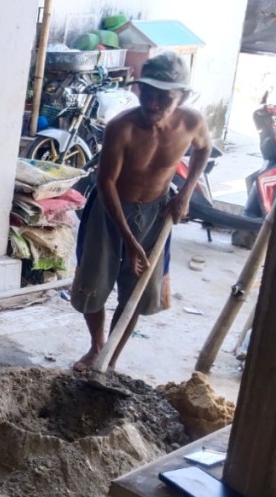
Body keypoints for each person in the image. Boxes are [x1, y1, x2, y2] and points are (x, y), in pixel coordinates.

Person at [71, 52, 212, 371]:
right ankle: (96, 347)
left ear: (183, 97)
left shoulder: (192, 123)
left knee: (136, 289)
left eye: (164, 98)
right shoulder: (122, 127)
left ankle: (111, 359)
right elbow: (106, 183)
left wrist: (186, 192)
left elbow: (204, 149)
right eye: (147, 94)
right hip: (110, 210)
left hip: (157, 214)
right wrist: (130, 241)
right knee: (93, 283)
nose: (152, 104)